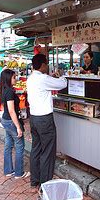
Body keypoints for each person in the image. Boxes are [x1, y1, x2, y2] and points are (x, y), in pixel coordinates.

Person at [27, 54, 67, 187]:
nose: (47, 66)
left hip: (33, 118)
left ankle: (35, 180)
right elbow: (62, 84)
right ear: (43, 65)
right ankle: (45, 183)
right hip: (44, 119)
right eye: (47, 64)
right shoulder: (43, 78)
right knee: (48, 151)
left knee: (36, 149)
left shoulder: (30, 78)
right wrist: (63, 75)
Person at [0, 69, 30, 179]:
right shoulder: (10, 91)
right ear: (8, 78)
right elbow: (12, 111)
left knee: (8, 145)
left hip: (5, 120)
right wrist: (18, 127)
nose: (16, 79)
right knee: (19, 145)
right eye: (14, 77)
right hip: (10, 121)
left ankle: (8, 170)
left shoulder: (4, 90)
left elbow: (6, 108)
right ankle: (19, 173)